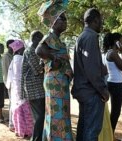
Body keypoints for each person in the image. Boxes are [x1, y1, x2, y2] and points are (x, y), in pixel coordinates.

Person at [36, 1, 73, 140]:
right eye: (62, 18)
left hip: (60, 82)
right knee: (55, 115)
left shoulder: (58, 40)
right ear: (54, 21)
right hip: (55, 82)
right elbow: (39, 50)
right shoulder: (50, 37)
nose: (66, 21)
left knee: (62, 115)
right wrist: (53, 58)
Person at [72, 8, 109, 141]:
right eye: (101, 21)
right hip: (91, 92)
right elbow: (91, 69)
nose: (102, 24)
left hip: (83, 91)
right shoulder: (91, 37)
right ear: (95, 20)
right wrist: (103, 90)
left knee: (83, 128)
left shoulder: (82, 37)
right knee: (92, 131)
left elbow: (89, 64)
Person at [21, 30, 45, 141]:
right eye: (41, 38)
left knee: (39, 117)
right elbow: (37, 69)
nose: (42, 40)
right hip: (34, 88)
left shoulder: (33, 51)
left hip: (37, 88)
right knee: (39, 117)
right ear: (35, 38)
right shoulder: (30, 51)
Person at [6, 40, 33, 138]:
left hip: (15, 89)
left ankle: (19, 130)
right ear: (20, 49)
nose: (25, 49)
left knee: (17, 110)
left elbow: (10, 76)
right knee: (25, 110)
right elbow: (23, 75)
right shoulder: (20, 59)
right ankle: (27, 131)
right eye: (23, 47)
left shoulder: (14, 59)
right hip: (22, 89)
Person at [103, 32, 122, 140]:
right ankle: (110, 136)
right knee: (116, 112)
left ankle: (110, 135)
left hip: (112, 83)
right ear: (116, 41)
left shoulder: (108, 53)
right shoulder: (113, 53)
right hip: (116, 84)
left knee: (114, 111)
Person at [1, 39, 14, 127]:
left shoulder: (12, 55)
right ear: (9, 46)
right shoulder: (6, 56)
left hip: (14, 82)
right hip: (10, 83)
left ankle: (13, 121)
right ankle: (11, 123)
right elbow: (6, 71)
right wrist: (8, 83)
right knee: (12, 103)